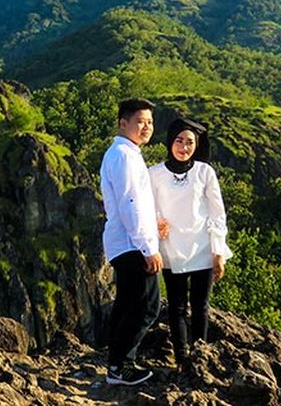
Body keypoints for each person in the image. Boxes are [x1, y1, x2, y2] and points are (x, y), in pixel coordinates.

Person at [148, 117, 232, 371]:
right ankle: (182, 356)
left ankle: (200, 353)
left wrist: (218, 251)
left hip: (203, 247)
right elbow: (146, 206)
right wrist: (155, 223)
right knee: (176, 305)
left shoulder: (205, 172)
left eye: (190, 142)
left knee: (200, 305)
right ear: (170, 142)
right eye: (179, 140)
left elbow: (218, 213)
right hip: (171, 247)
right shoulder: (154, 173)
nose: (184, 147)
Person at [100, 98, 162, 386]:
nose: (146, 127)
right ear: (122, 123)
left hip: (124, 242)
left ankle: (116, 365)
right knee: (146, 305)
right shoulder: (124, 155)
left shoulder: (125, 153)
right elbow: (130, 203)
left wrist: (153, 226)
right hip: (131, 245)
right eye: (140, 121)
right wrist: (148, 248)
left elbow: (134, 204)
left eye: (149, 122)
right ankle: (122, 366)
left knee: (126, 305)